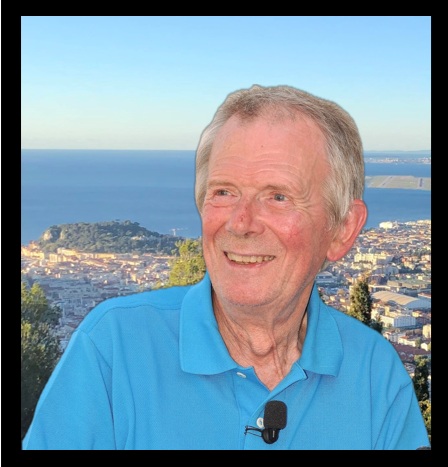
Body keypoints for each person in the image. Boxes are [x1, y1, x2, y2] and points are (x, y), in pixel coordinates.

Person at [22, 84, 430, 450]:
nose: (240, 223)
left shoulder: (375, 374)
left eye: (278, 197)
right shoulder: (113, 350)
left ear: (342, 229)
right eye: (223, 192)